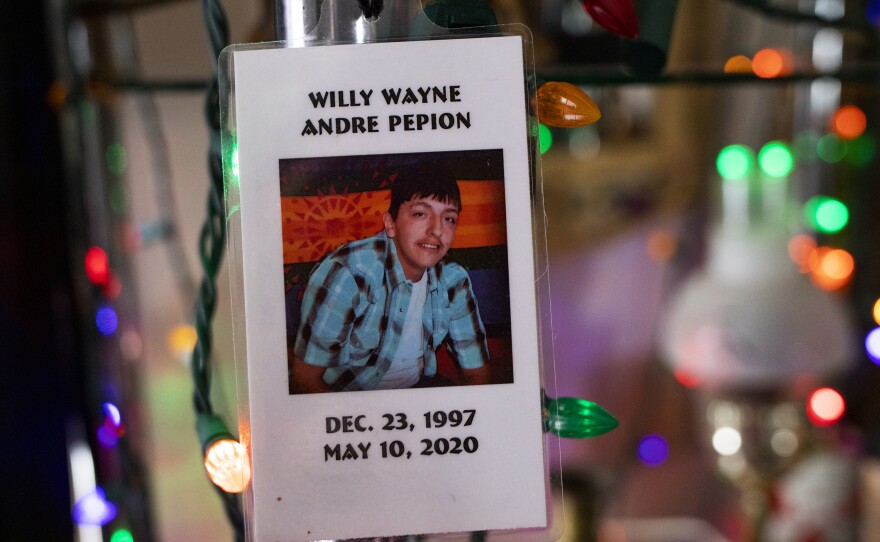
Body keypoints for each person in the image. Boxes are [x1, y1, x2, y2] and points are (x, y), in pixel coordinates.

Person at [291, 166, 490, 392]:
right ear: (390, 224)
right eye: (420, 214)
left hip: (417, 398)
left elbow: (477, 375)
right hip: (347, 404)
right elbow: (305, 379)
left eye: (449, 218)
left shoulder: (454, 281)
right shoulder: (348, 273)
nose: (437, 230)